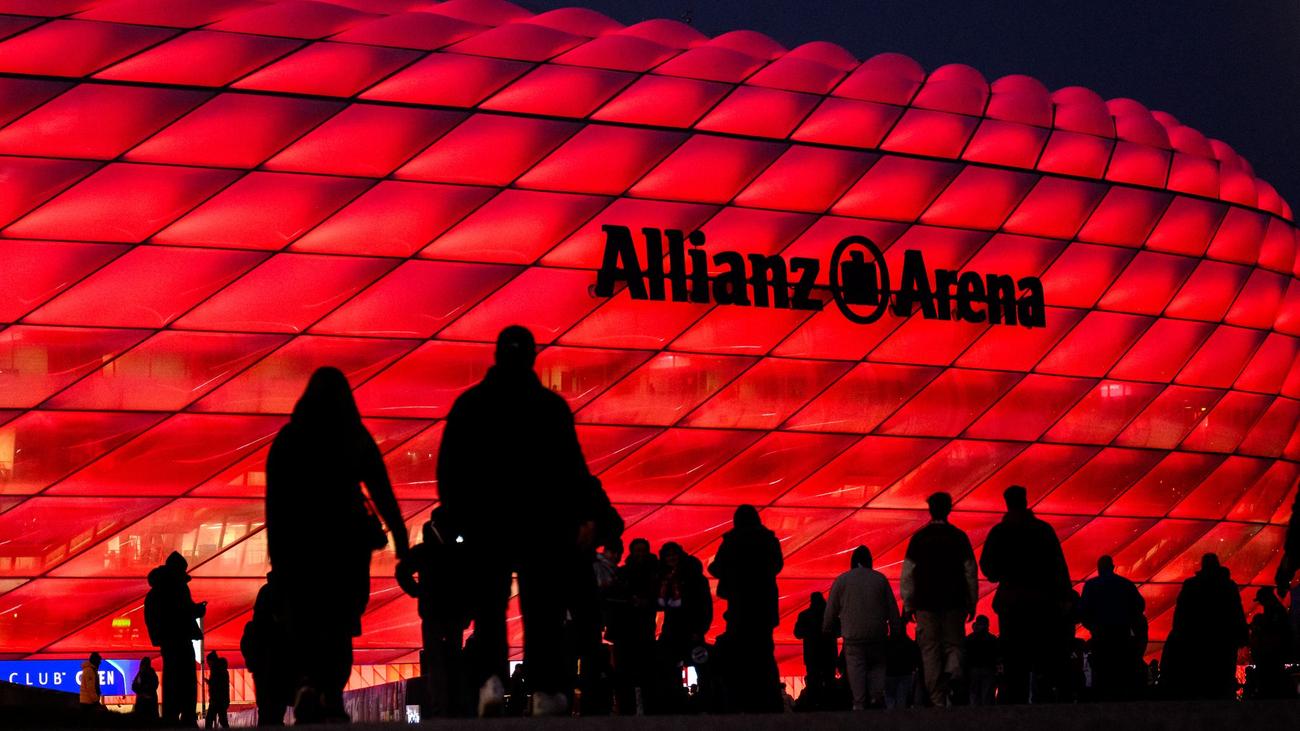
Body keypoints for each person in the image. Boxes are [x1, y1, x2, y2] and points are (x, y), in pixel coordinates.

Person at [437, 326, 597, 717]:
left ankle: (490, 680)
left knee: (489, 605)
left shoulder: (470, 404)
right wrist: (583, 518)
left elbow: (449, 467)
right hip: (540, 522)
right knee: (541, 608)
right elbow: (572, 469)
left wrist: (456, 517)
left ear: (496, 355)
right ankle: (545, 689)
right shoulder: (549, 407)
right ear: (533, 356)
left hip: (485, 520)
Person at [266, 367, 410, 722]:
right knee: (340, 622)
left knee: (307, 621)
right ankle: (330, 693)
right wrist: (402, 543)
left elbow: (276, 505)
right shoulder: (352, 435)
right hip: (345, 548)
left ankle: (309, 685)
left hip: (301, 549)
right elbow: (382, 492)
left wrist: (279, 558)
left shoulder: (288, 439)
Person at [979, 485, 1072, 703]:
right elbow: (1059, 566)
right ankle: (1045, 703)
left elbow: (988, 568)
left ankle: (1015, 706)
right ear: (1026, 501)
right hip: (1042, 603)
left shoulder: (1000, 532)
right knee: (1043, 656)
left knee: (1014, 660)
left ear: (1007, 503)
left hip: (1012, 604)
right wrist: (1064, 598)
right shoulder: (1043, 530)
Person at [900, 492, 978, 707]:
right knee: (954, 644)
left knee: (930, 650)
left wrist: (908, 605)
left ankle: (937, 699)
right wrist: (971, 601)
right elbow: (970, 571)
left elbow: (907, 573)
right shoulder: (959, 537)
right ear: (949, 509)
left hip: (925, 603)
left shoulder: (919, 539)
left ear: (930, 510)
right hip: (954, 601)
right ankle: (953, 672)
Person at [709, 504, 784, 713]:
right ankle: (769, 701)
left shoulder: (732, 541)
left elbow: (716, 567)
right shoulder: (768, 539)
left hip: (739, 606)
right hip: (764, 606)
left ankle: (743, 700)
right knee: (764, 653)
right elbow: (778, 565)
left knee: (741, 654)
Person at [396, 507, 471, 717]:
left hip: (433, 613)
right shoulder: (458, 551)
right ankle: (453, 705)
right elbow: (469, 583)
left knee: (437, 661)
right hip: (451, 614)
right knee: (452, 659)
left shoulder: (425, 551)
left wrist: (418, 591)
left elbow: (402, 571)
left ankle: (441, 705)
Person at [823, 545, 901, 710]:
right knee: (877, 666)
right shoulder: (880, 579)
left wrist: (827, 628)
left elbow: (830, 610)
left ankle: (859, 704)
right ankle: (875, 698)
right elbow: (892, 609)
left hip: (853, 636)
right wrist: (895, 630)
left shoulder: (842, 580)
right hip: (877, 634)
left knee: (856, 670)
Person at [1160, 553, 1248, 700]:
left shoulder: (1191, 585)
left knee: (1198, 675)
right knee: (1222, 675)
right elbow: (1236, 611)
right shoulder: (1228, 586)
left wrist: (1178, 634)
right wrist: (1242, 635)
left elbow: (1181, 612)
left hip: (1196, 638)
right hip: (1222, 638)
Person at [145, 551, 205, 726]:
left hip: (168, 643)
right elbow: (184, 611)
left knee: (172, 682)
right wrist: (198, 611)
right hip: (181, 641)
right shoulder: (177, 588)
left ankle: (172, 718)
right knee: (186, 683)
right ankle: (187, 718)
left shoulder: (156, 592)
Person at [653, 542, 712, 714]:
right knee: (674, 666)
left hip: (689, 628)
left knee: (698, 666)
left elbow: (704, 605)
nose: (671, 558)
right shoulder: (666, 578)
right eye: (668, 556)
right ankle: (680, 702)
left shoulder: (691, 578)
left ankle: (701, 703)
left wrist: (700, 628)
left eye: (673, 555)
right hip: (674, 628)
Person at [1078, 555, 1146, 701]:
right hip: (1121, 635)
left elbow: (1082, 611)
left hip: (1100, 637)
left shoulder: (1091, 585)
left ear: (1099, 568)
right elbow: (1140, 606)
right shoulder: (1126, 584)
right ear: (1113, 567)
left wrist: (1092, 627)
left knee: (1102, 675)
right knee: (1120, 674)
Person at [610, 538, 659, 714]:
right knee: (639, 672)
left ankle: (629, 709)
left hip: (631, 629)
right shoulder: (653, 574)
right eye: (637, 550)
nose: (640, 554)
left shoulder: (626, 573)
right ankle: (641, 708)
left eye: (642, 550)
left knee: (630, 672)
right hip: (637, 629)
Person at [241, 575, 290, 725]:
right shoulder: (281, 630)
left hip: (261, 667)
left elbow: (246, 645)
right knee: (276, 704)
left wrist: (252, 663)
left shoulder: (254, 628)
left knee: (266, 707)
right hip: (278, 663)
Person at [1245, 586, 1294, 699]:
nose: (1261, 603)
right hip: (1273, 654)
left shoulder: (1273, 611)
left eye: (1261, 600)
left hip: (1271, 655)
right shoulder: (1275, 609)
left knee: (1270, 682)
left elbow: (1273, 631)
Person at [793, 592, 837, 708]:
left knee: (813, 682)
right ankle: (830, 706)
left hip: (812, 656)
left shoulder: (804, 615)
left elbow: (797, 634)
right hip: (829, 655)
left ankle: (813, 707)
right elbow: (840, 631)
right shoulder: (831, 615)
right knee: (829, 682)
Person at [963, 615, 999, 705]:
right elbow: (997, 655)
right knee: (987, 695)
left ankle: (975, 713)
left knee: (974, 695)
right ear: (987, 625)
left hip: (973, 669)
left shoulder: (969, 639)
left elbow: (965, 655)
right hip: (988, 669)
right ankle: (986, 714)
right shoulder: (993, 639)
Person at [884, 630, 921, 709]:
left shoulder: (886, 642)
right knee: (901, 701)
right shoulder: (910, 643)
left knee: (890, 699)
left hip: (890, 673)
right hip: (905, 673)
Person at [205, 651, 230, 729]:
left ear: (212, 661)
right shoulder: (222, 669)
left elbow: (216, 685)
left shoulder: (215, 670)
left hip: (216, 700)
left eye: (208, 662)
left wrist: (209, 682)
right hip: (223, 699)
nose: (208, 664)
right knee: (223, 720)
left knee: (209, 720)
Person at [132, 657, 160, 722]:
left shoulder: (141, 673)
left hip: (143, 701)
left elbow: (134, 686)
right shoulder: (149, 673)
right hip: (149, 700)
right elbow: (134, 686)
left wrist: (142, 692)